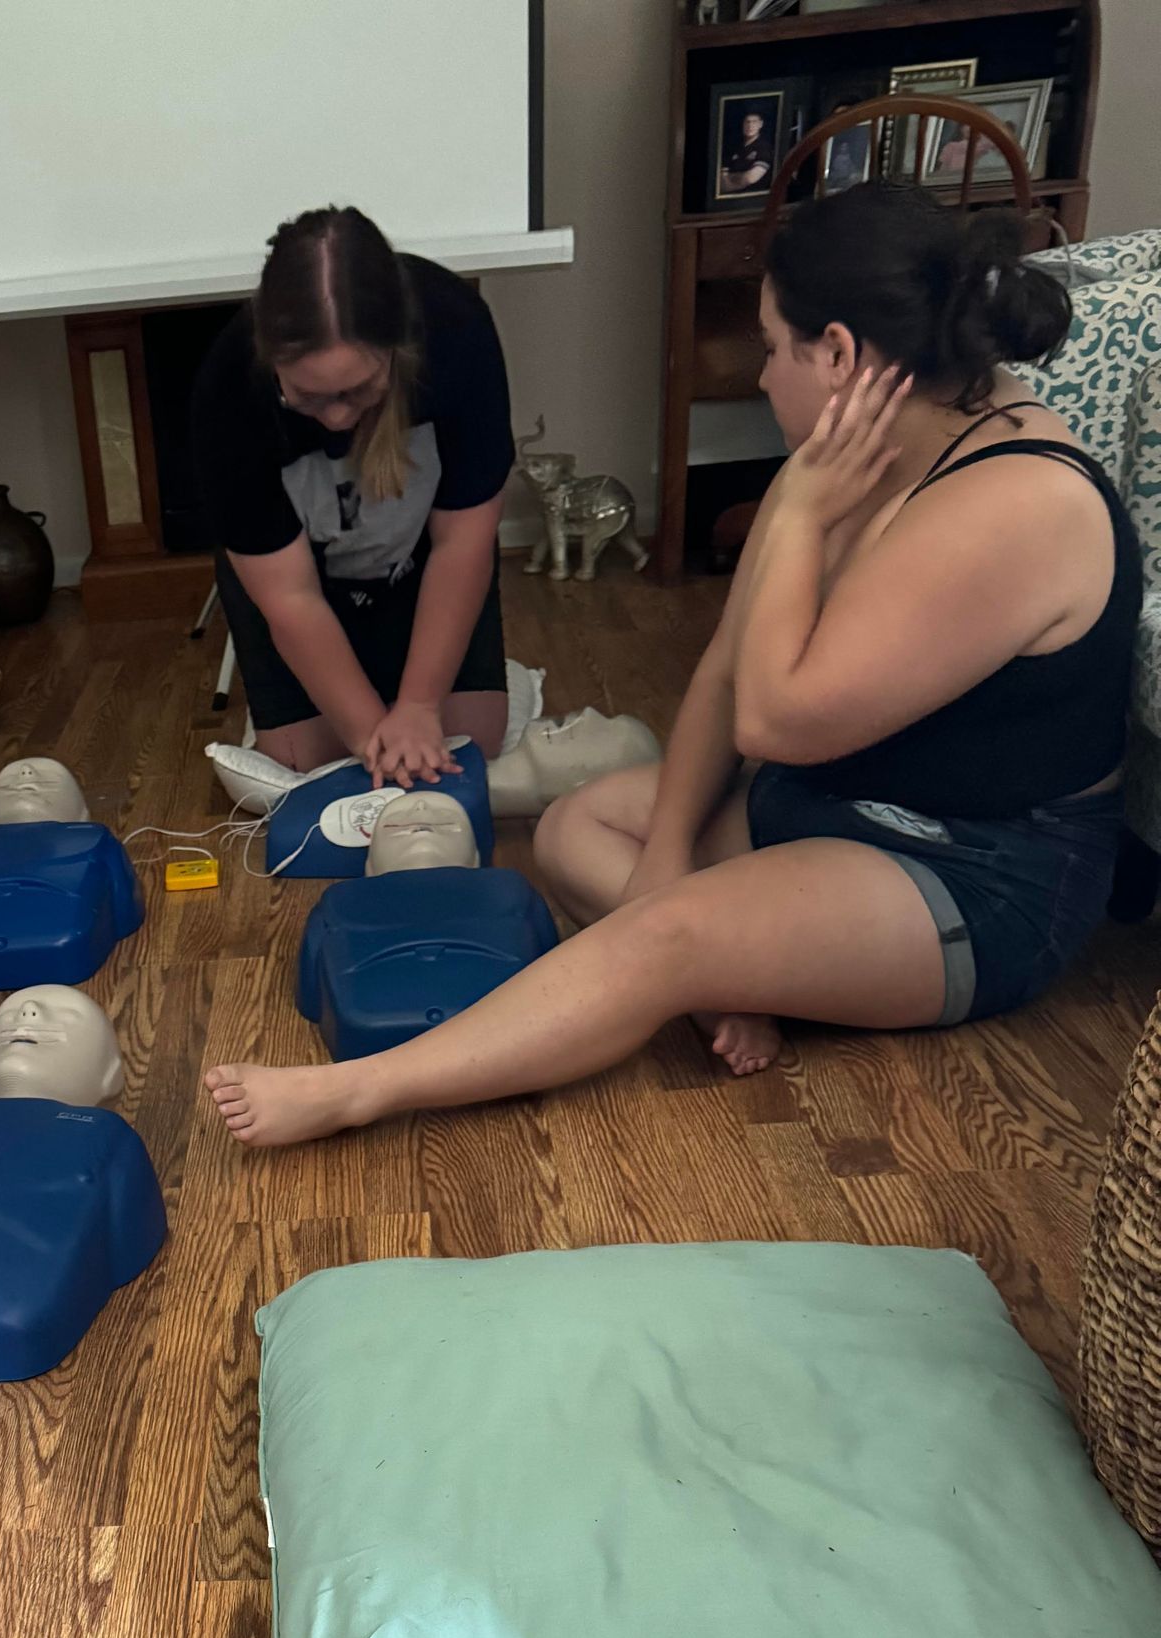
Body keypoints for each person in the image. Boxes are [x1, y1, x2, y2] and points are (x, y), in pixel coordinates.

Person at [205, 186, 1138, 1148]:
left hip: (973, 871)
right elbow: (728, 674)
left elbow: (774, 724)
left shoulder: (1012, 505)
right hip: (839, 805)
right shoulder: (852, 454)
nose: (763, 375)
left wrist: (800, 515)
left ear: (841, 356)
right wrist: (661, 869)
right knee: (575, 830)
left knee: (663, 936)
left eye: (773, 348)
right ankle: (734, 968)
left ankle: (361, 1089)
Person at [192, 204, 513, 789]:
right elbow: (290, 597)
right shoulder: (226, 385)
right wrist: (375, 740)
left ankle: (438, 684)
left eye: (359, 390)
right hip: (306, 583)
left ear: (395, 349)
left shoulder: (456, 329)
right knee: (312, 762)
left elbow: (463, 541)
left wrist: (418, 709)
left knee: (475, 745)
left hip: (422, 561)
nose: (337, 419)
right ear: (272, 362)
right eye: (310, 398)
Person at [722, 107, 777, 196]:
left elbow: (750, 178)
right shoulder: (735, 147)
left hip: (754, 198)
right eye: (747, 122)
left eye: (754, 122)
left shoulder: (764, 147)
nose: (750, 126)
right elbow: (721, 176)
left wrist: (731, 178)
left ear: (761, 124)